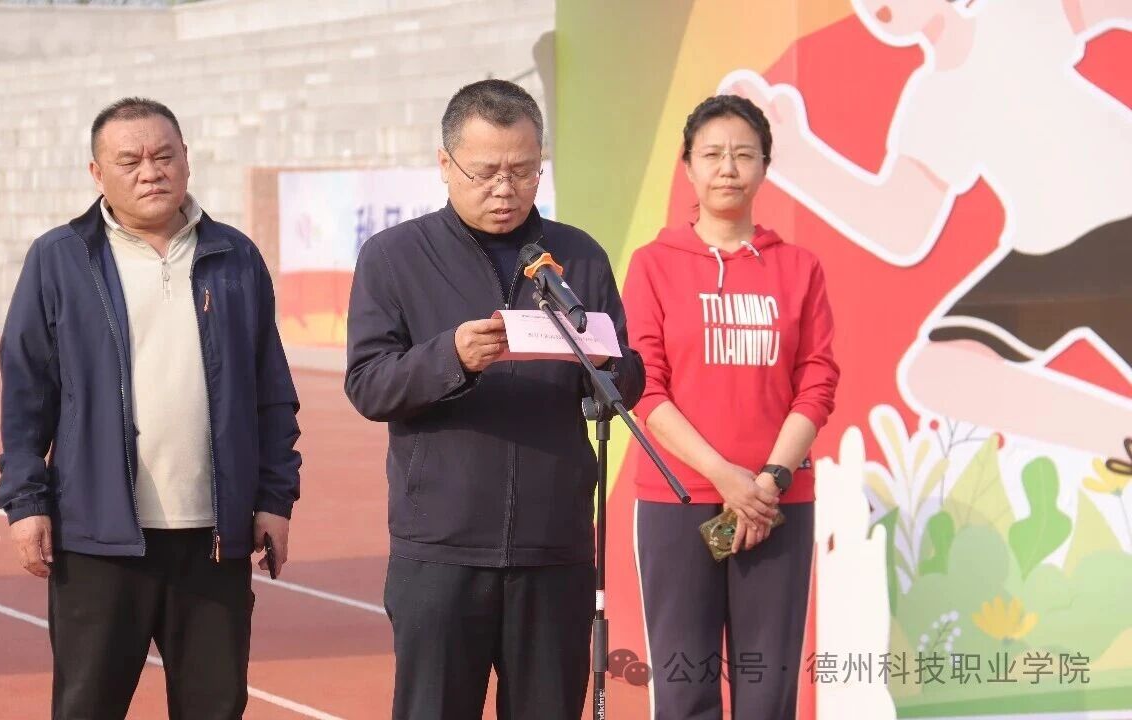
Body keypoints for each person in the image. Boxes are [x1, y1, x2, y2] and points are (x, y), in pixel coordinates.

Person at [343, 79, 645, 719]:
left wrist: (603, 362)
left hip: (555, 547)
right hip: (440, 549)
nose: (505, 189)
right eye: (485, 173)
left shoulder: (577, 256)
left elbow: (627, 379)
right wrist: (450, 357)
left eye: (523, 171)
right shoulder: (394, 257)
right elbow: (369, 383)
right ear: (445, 164)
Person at [0, 97, 301, 720]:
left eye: (164, 156)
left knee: (215, 708)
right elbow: (27, 391)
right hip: (98, 538)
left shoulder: (235, 257)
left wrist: (274, 497)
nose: (150, 172)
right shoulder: (59, 259)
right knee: (88, 707)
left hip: (214, 539)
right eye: (129, 160)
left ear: (187, 160)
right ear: (96, 173)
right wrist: (26, 502)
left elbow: (271, 391)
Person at [728, 0, 1132, 471]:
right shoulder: (932, 101)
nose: (878, 6)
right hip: (1050, 249)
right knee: (940, 372)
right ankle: (1121, 433)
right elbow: (900, 225)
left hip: (1119, 211)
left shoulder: (1011, 19)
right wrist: (794, 157)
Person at [623, 94, 840, 719]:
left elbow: (818, 380)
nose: (727, 168)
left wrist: (767, 481)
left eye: (744, 155)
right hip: (678, 502)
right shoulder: (654, 266)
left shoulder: (799, 268)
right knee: (684, 687)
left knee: (767, 692)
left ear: (765, 166)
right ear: (687, 165)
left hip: (775, 506)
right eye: (712, 154)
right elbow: (645, 388)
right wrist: (724, 477)